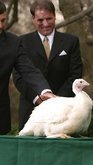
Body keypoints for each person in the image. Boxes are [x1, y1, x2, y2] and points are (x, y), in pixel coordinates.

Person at [12, 0, 83, 130]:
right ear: (33, 18)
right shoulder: (21, 42)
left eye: (49, 19)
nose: (45, 24)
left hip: (64, 110)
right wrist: (38, 98)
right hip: (31, 108)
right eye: (40, 20)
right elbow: (18, 77)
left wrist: (57, 100)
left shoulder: (71, 41)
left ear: (55, 16)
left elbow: (75, 73)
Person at [0, 1, 55, 135]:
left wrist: (44, 91)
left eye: (3, 20)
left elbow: (28, 69)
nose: (0, 26)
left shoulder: (13, 43)